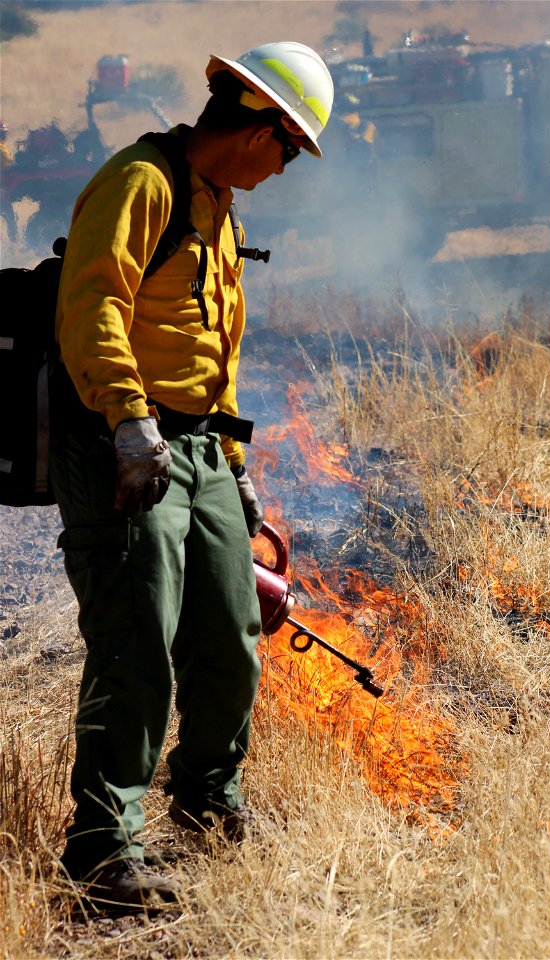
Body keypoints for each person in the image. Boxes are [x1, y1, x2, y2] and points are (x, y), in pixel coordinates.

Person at [51, 41, 333, 910]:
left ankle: (210, 803)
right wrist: (131, 422)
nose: (286, 169)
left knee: (230, 636)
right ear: (260, 126)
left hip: (202, 451)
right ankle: (102, 853)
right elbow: (91, 298)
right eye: (290, 149)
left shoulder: (217, 208)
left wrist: (237, 470)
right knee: (136, 649)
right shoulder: (144, 183)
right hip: (128, 446)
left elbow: (219, 346)